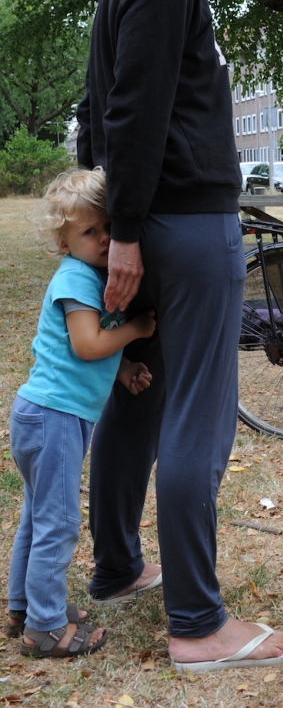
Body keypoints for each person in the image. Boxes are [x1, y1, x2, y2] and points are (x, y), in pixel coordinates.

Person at [77, 0, 283, 672]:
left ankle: (119, 567)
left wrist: (120, 229)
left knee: (139, 395)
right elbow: (129, 113)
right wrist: (124, 234)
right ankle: (198, 622)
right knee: (199, 417)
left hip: (149, 224)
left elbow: (103, 115)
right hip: (183, 227)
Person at [7, 169, 155, 658]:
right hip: (55, 418)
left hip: (43, 414)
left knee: (37, 516)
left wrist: (125, 368)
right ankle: (45, 628)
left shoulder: (90, 275)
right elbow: (88, 343)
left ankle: (25, 606)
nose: (104, 238)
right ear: (62, 239)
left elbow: (84, 353)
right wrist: (133, 330)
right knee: (58, 521)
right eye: (89, 232)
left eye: (108, 227)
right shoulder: (75, 277)